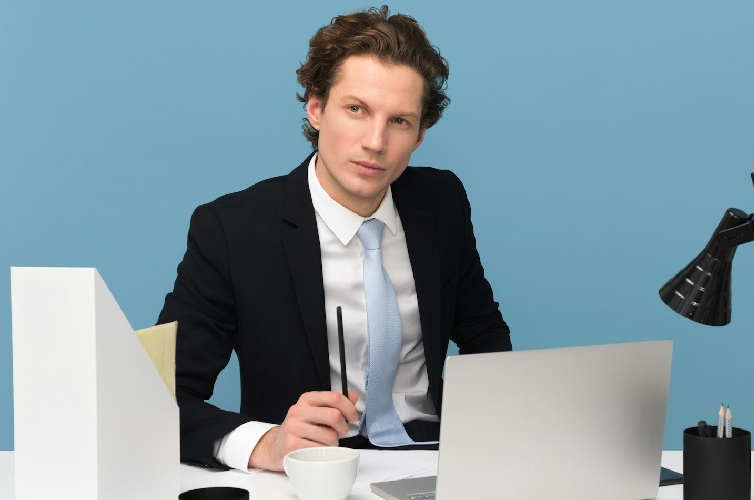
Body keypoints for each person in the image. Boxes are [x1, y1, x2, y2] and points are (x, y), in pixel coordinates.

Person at [157, 5, 511, 473]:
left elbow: (485, 335)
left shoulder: (441, 203)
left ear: (421, 135)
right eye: (357, 110)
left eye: (400, 121)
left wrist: (497, 434)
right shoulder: (231, 230)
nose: (375, 142)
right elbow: (160, 398)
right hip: (308, 474)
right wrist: (266, 444)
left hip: (437, 463)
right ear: (316, 108)